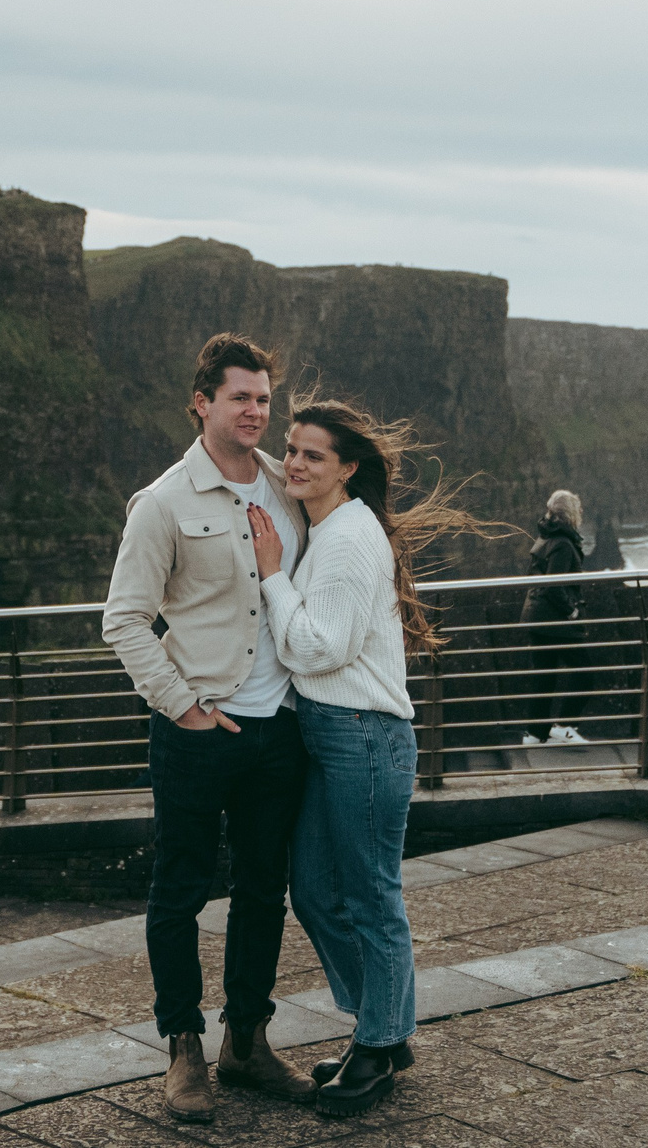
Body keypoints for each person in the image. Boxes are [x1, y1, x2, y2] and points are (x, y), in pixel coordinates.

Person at [249, 397, 490, 1120]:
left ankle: (379, 1043)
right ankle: (383, 1029)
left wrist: (271, 575)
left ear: (347, 468)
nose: (295, 462)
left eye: (313, 454)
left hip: (363, 735)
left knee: (370, 895)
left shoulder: (350, 537)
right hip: (332, 733)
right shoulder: (327, 529)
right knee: (315, 890)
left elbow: (320, 647)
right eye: (291, 449)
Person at [101, 333, 318, 1121]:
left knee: (263, 889)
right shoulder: (163, 502)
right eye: (239, 397)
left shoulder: (288, 487)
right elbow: (124, 619)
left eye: (263, 398)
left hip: (279, 729)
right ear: (202, 402)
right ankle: (183, 1047)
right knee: (180, 890)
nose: (255, 411)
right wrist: (183, 705)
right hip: (197, 731)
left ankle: (247, 1042)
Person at [519, 489, 626, 744]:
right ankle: (565, 725)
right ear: (571, 514)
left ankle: (535, 734)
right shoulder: (563, 544)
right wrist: (572, 611)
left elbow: (537, 576)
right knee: (584, 673)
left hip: (537, 617)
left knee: (544, 677)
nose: (581, 513)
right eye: (578, 509)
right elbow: (555, 585)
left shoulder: (545, 537)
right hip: (555, 621)